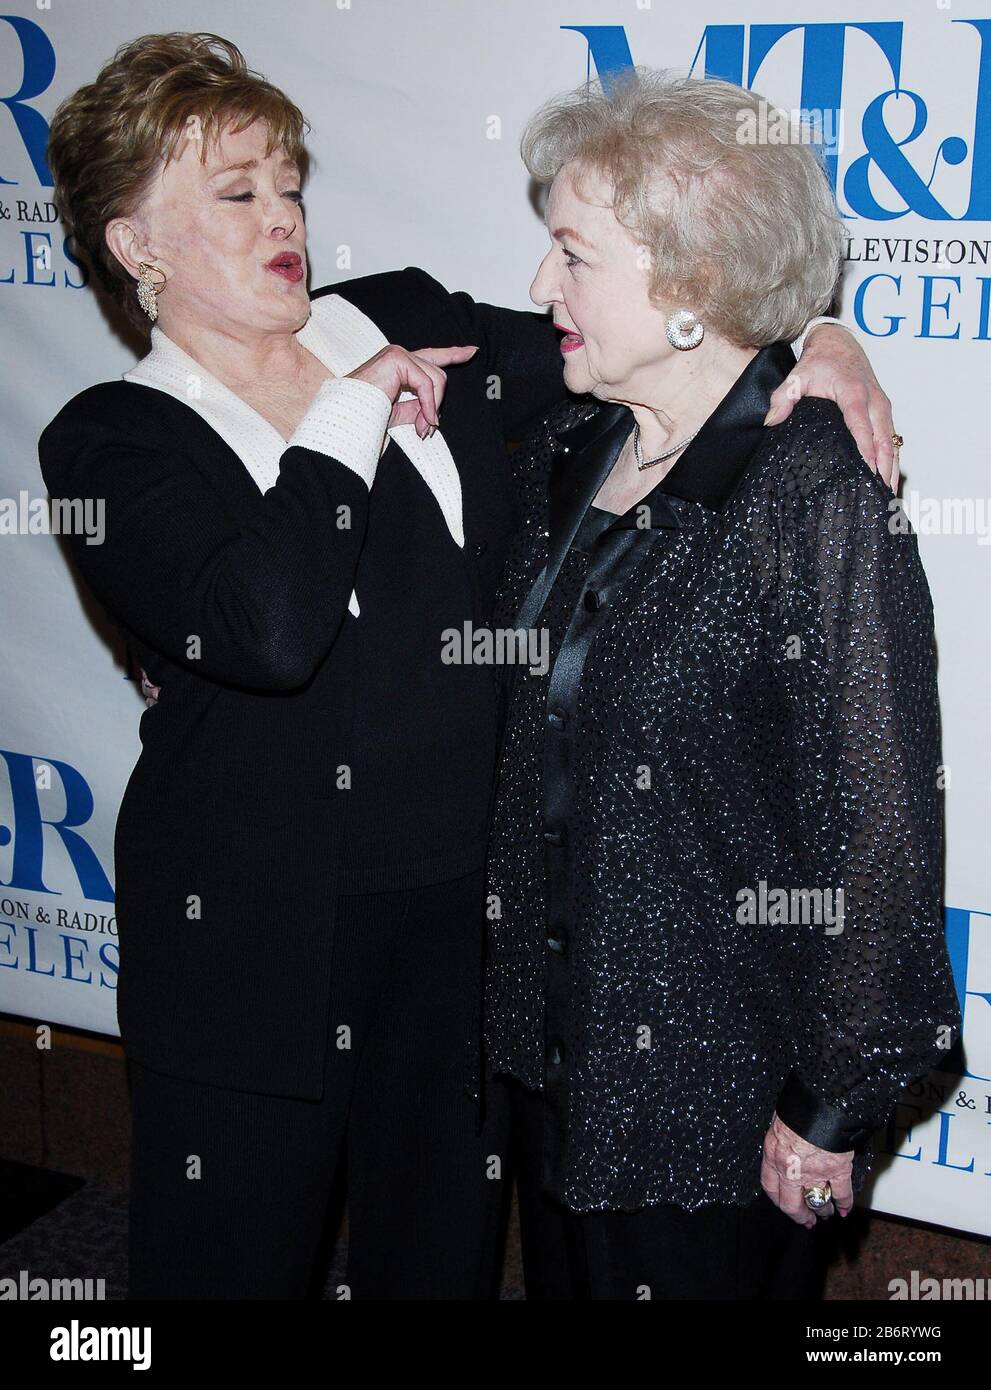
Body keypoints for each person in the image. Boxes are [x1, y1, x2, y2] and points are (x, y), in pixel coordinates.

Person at [39, 33, 898, 1299]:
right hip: (254, 955)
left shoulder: (407, 319)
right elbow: (270, 629)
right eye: (236, 193)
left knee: (435, 1272)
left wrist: (824, 335)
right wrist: (348, 408)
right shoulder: (112, 442)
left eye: (288, 182)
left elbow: (664, 337)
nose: (284, 214)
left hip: (460, 949)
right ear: (133, 245)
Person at [482, 68, 962, 1301]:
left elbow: (885, 843)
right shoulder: (566, 450)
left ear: (689, 289)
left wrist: (830, 1106)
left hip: (719, 1110)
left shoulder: (815, 496)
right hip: (554, 1065)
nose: (541, 287)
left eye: (572, 254)